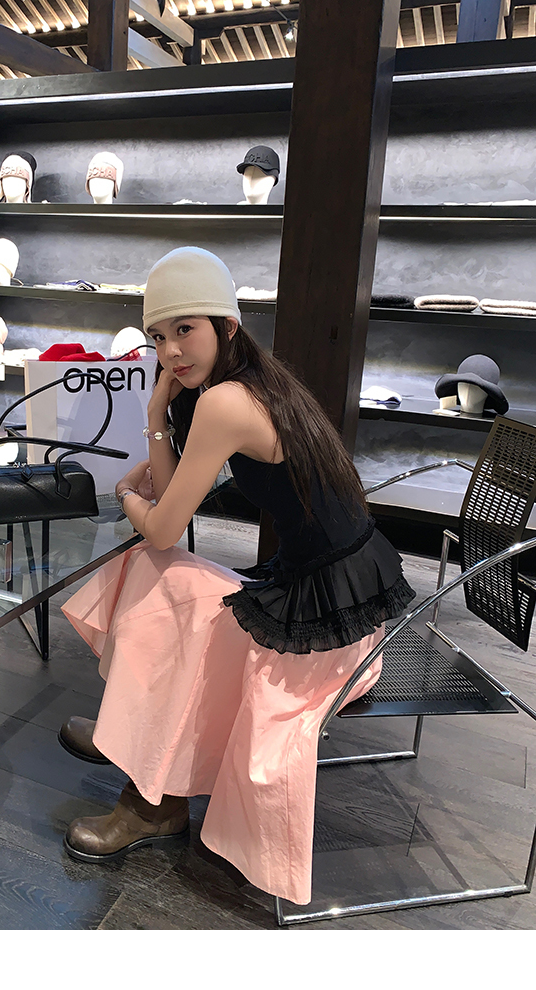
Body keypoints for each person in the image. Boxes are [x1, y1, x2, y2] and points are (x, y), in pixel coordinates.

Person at [59, 247, 415, 904]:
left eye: (184, 329)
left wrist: (131, 481)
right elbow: (170, 502)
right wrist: (159, 434)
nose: (170, 351)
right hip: (337, 598)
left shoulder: (226, 400)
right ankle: (131, 740)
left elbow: (162, 526)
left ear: (226, 325)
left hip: (328, 628)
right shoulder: (249, 383)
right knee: (166, 587)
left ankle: (150, 802)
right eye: (157, 336)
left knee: (164, 588)